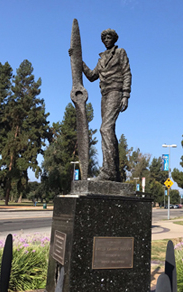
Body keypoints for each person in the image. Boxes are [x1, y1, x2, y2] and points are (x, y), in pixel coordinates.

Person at [71, 28, 131, 181]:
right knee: (108, 130)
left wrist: (125, 94)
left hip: (116, 91)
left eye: (109, 37)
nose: (106, 40)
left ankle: (109, 172)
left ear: (114, 39)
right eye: (104, 38)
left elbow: (127, 72)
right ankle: (114, 171)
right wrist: (78, 60)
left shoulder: (120, 53)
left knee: (105, 129)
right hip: (104, 94)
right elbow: (91, 76)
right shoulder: (102, 59)